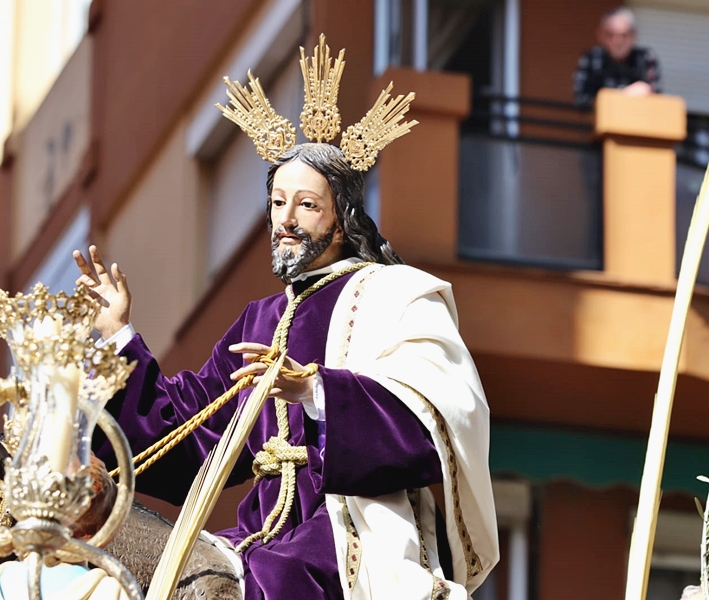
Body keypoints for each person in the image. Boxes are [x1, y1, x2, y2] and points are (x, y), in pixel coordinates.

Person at [73, 37, 498, 600]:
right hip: (257, 536)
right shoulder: (261, 319)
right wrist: (119, 337)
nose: (286, 220)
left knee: (273, 579)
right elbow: (186, 435)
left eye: (306, 205)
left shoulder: (398, 293)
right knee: (115, 587)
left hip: (349, 538)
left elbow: (438, 421)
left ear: (342, 220)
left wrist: (317, 390)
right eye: (277, 203)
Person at [573, 7, 661, 108]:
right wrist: (623, 95)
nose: (617, 42)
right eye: (610, 35)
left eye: (624, 35)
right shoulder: (591, 58)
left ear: (634, 35)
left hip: (638, 121)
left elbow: (657, 99)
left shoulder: (646, 58)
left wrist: (647, 92)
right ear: (600, 35)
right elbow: (581, 100)